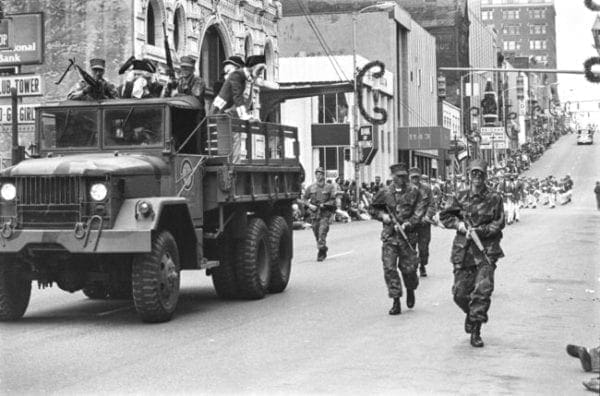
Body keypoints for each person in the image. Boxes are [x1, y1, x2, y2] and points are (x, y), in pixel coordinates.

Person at [439, 159, 505, 348]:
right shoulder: (460, 195)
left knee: (482, 291)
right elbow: (445, 216)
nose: (477, 177)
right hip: (464, 250)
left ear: (485, 176)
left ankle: (476, 329)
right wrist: (460, 225)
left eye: (480, 174)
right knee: (459, 294)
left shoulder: (494, 197)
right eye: (474, 173)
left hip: (486, 251)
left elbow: (499, 222)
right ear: (469, 175)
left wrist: (481, 231)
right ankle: (470, 314)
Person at [370, 163, 426, 315]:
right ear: (393, 177)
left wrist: (410, 222)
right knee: (389, 268)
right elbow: (373, 208)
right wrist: (384, 217)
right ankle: (396, 300)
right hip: (390, 236)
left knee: (409, 269)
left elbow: (420, 209)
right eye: (398, 176)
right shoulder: (385, 192)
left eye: (403, 176)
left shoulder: (414, 191)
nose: (401, 179)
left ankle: (410, 288)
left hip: (407, 236)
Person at [302, 167, 338, 261]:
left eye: (320, 174)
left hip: (324, 214)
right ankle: (323, 248)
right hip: (314, 215)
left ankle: (321, 253)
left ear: (323, 175)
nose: (318, 176)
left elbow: (333, 200)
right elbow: (304, 199)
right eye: (317, 174)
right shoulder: (311, 188)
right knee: (317, 234)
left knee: (322, 233)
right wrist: (309, 205)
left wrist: (325, 205)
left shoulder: (329, 187)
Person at [210, 56, 254, 120]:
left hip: (235, 115)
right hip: (224, 116)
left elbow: (247, 101)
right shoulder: (220, 83)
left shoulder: (244, 83)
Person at [409, 168, 434, 277]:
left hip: (424, 224)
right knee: (411, 247)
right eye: (413, 177)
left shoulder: (426, 189)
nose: (415, 179)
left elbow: (432, 205)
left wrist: (427, 216)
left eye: (416, 177)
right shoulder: (406, 190)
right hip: (411, 224)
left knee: (423, 248)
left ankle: (422, 265)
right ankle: (413, 267)